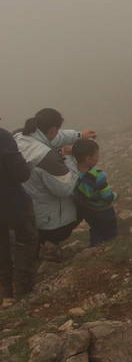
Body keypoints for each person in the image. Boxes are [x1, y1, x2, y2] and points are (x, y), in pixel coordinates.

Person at [15, 109, 95, 262]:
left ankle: (38, 246)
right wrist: (70, 158)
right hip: (48, 221)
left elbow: (55, 137)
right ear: (53, 129)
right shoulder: (45, 157)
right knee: (83, 202)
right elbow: (64, 190)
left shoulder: (20, 136)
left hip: (26, 209)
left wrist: (79, 135)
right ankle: (48, 244)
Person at [0, 123, 38, 298]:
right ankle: (21, 286)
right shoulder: (3, 137)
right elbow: (21, 173)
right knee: (26, 238)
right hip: (11, 200)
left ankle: (4, 290)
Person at [71, 139, 118, 246]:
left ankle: (95, 246)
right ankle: (111, 247)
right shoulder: (98, 175)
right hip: (103, 210)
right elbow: (107, 197)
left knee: (95, 229)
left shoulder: (74, 173)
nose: (98, 157)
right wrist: (115, 196)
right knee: (110, 231)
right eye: (96, 155)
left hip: (88, 210)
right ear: (89, 159)